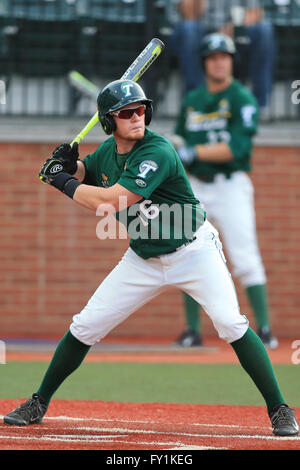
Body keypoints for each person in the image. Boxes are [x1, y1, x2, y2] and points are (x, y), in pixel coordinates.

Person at [3, 79, 298, 437]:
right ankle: (38, 402)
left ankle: (280, 409)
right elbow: (88, 171)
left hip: (194, 251)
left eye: (141, 109)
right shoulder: (109, 153)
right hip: (143, 259)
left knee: (230, 323)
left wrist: (61, 181)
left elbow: (109, 202)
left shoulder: (158, 150)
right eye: (127, 112)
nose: (137, 117)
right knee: (85, 326)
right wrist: (68, 165)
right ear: (109, 122)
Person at [173, 32, 278, 349]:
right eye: (213, 57)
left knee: (245, 257)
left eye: (224, 56)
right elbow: (181, 143)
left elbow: (237, 148)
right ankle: (193, 330)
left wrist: (194, 152)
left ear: (231, 61)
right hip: (197, 186)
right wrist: (177, 151)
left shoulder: (241, 99)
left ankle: (266, 329)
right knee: (185, 253)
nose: (219, 62)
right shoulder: (192, 101)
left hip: (231, 184)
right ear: (205, 63)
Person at [169, 0, 275, 112]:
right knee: (189, 28)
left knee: (264, 29)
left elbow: (256, 12)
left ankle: (259, 104)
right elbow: (189, 15)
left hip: (237, 30)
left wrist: (232, 27)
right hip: (203, 31)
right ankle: (195, 103)